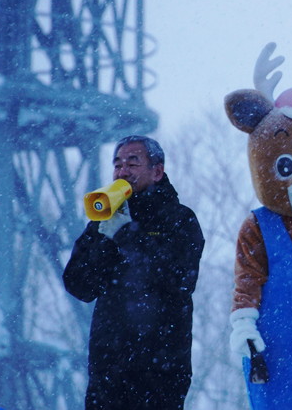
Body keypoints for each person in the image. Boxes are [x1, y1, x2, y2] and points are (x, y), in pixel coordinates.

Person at [63, 135, 204, 410]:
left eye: (132, 162)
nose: (122, 171)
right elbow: (78, 285)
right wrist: (104, 241)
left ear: (157, 171)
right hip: (109, 369)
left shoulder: (180, 219)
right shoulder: (105, 217)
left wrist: (126, 236)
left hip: (161, 368)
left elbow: (181, 279)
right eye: (117, 164)